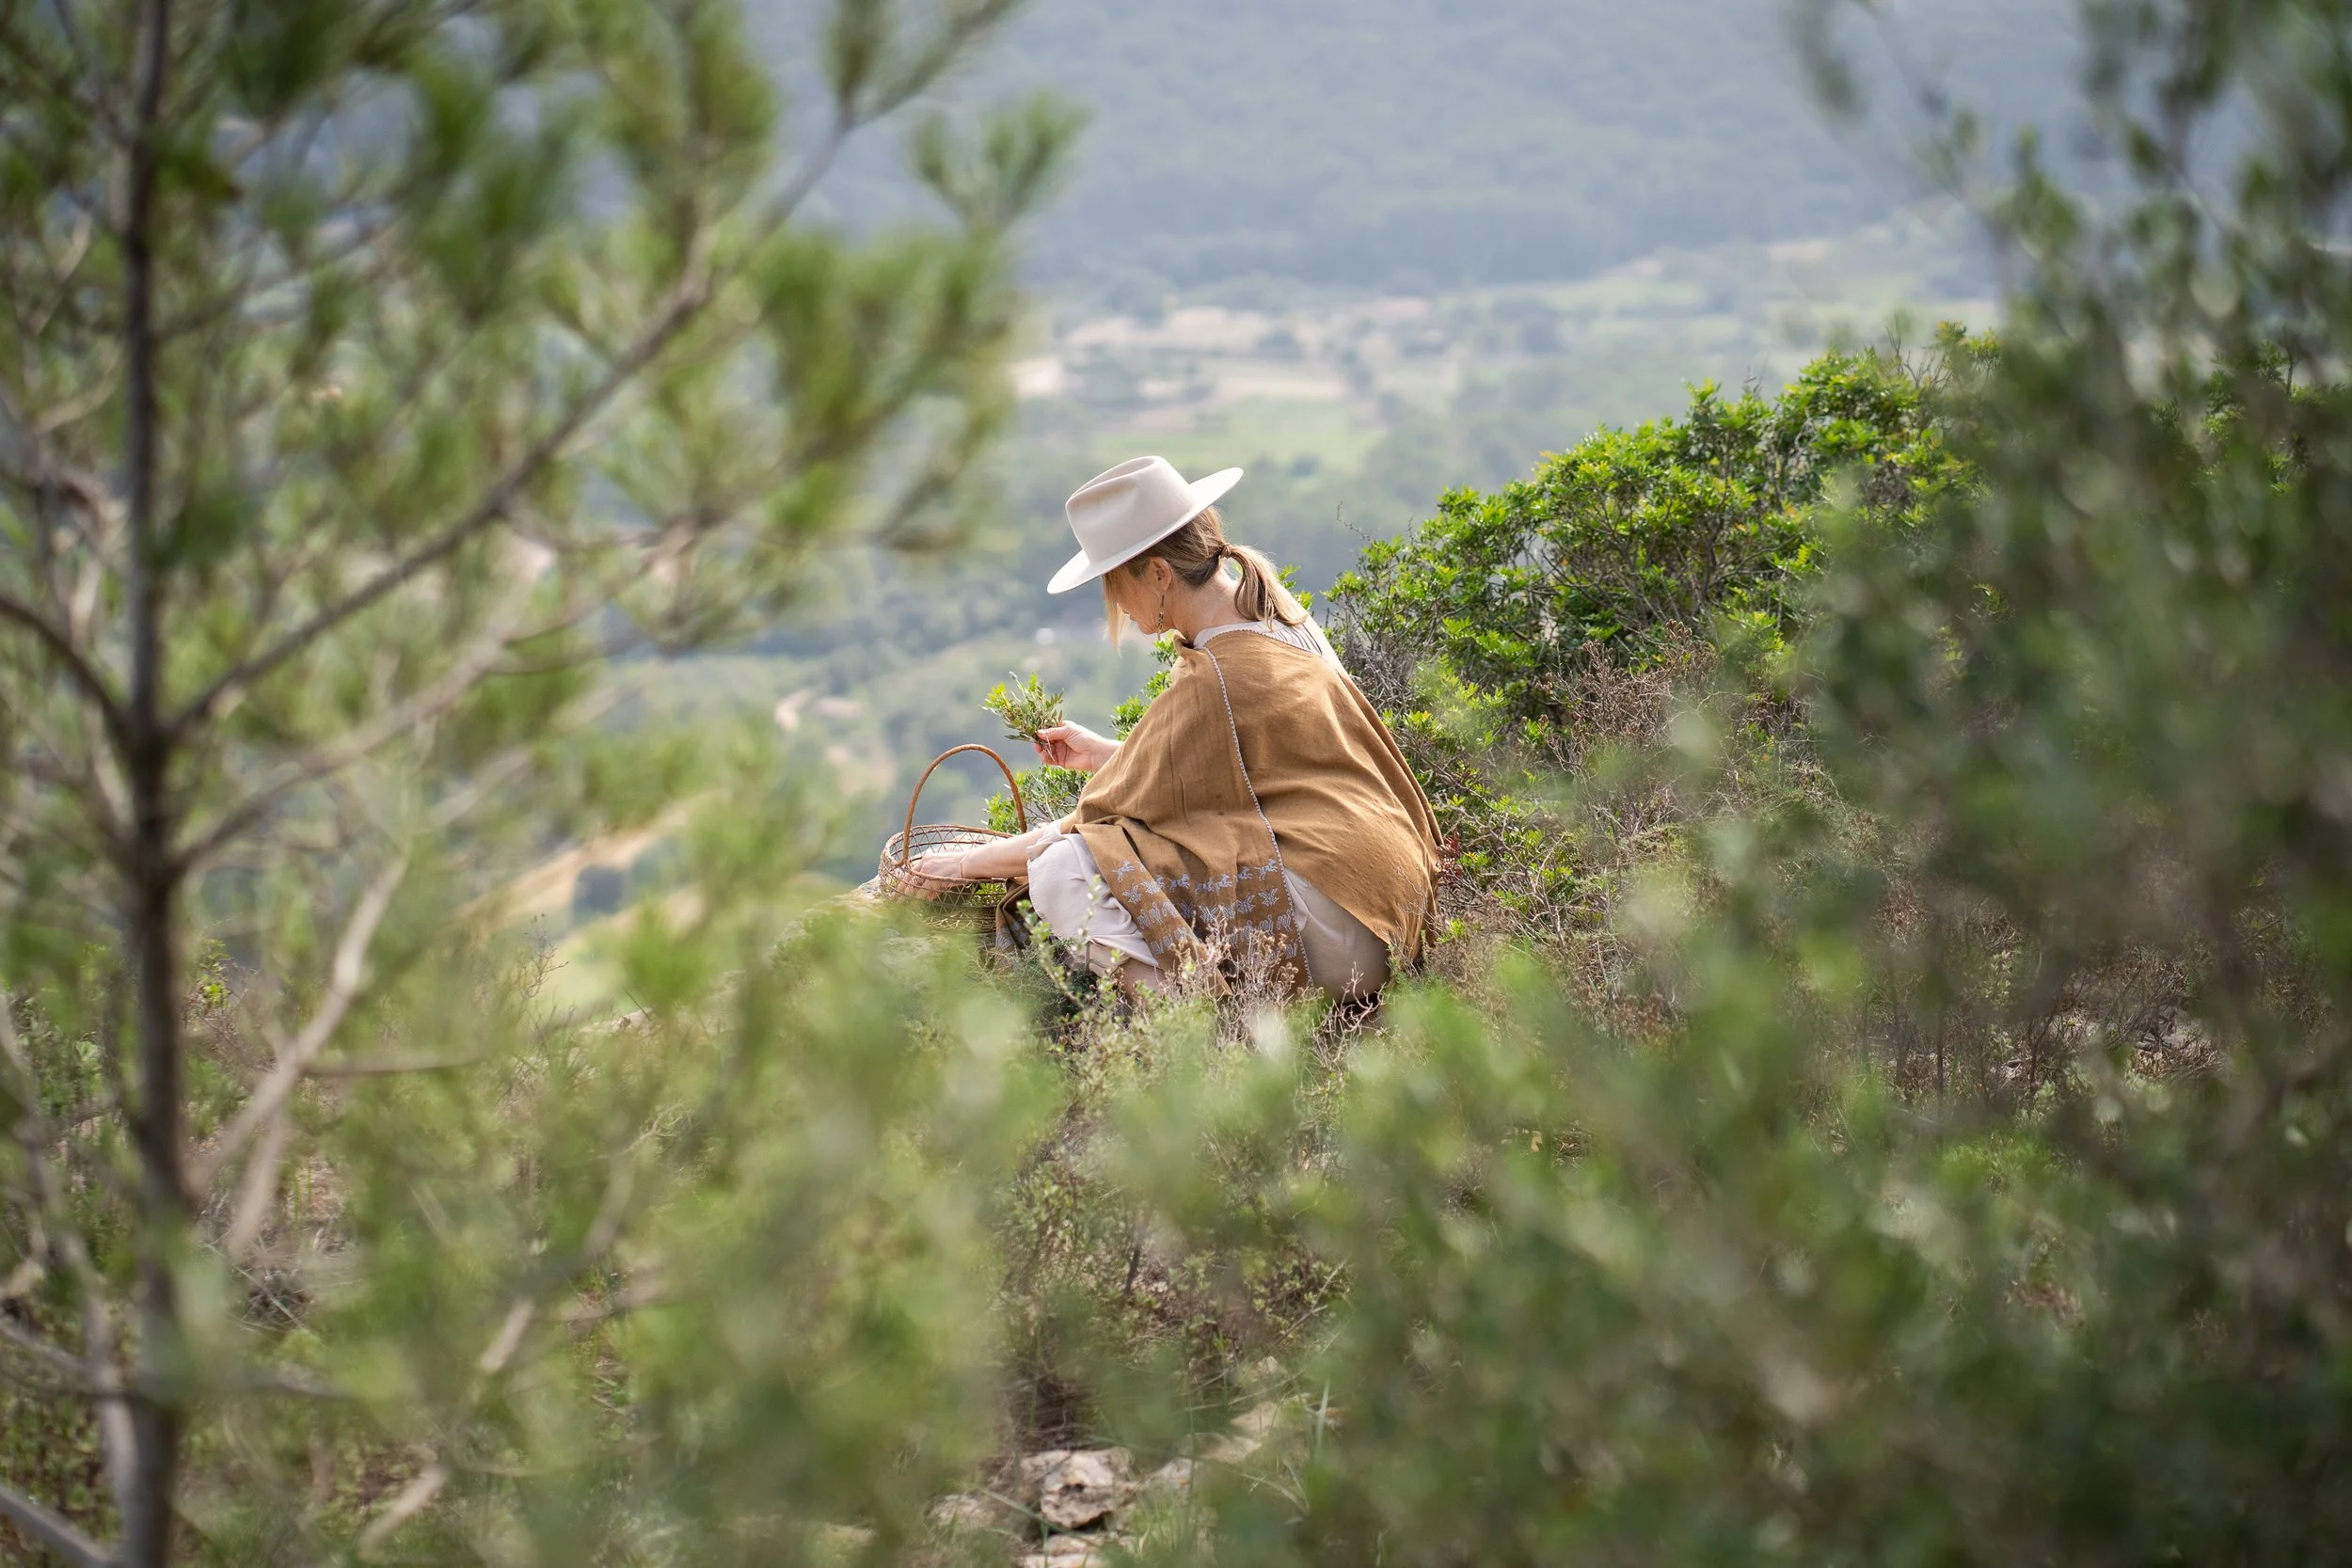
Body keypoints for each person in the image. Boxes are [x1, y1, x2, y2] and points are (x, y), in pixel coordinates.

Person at [916, 455, 1441, 999]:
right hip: (1388, 904)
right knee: (1154, 836)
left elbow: (1090, 821)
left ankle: (1197, 1029)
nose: (1114, 601)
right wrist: (1107, 754)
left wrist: (965, 864)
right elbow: (1243, 762)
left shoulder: (1212, 678)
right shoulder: (1273, 610)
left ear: (1160, 574)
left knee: (1060, 870)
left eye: (1115, 581)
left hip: (1337, 932)